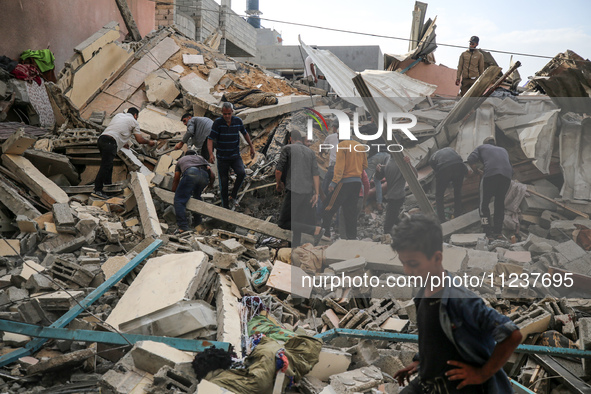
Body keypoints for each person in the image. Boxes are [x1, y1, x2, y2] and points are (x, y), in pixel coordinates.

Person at [392, 214, 522, 394]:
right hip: (430, 383)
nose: (407, 270)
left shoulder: (460, 300)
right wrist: (419, 361)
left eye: (413, 264)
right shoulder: (423, 294)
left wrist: (482, 373)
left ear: (437, 258)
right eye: (403, 263)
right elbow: (435, 338)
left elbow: (512, 335)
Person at [275, 131, 324, 248]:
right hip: (307, 193)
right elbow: (315, 175)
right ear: (301, 140)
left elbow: (278, 170)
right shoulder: (310, 152)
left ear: (291, 138)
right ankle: (295, 248)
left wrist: (278, 183)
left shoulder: (287, 148)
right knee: (297, 222)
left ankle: (315, 230)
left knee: (283, 223)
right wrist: (316, 193)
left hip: (294, 190)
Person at [94, 107, 155, 199]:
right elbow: (140, 140)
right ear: (135, 115)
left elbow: (118, 129)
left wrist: (123, 142)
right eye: (136, 117)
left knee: (109, 166)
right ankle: (97, 190)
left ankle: (108, 189)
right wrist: (149, 142)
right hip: (111, 142)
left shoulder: (119, 115)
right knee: (105, 166)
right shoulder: (134, 122)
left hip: (102, 139)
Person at [207, 102, 255, 209]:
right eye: (225, 114)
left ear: (232, 112)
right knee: (224, 183)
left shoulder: (238, 121)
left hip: (235, 156)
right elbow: (210, 139)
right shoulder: (218, 123)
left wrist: (251, 147)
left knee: (242, 173)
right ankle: (225, 207)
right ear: (222, 113)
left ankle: (233, 196)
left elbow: (245, 133)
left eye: (229, 114)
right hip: (222, 158)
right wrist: (211, 154)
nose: (227, 116)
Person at [322, 139, 368, 240]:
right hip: (357, 183)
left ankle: (326, 234)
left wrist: (334, 182)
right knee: (350, 212)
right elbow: (365, 165)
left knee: (328, 206)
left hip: (345, 182)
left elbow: (339, 166)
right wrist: (355, 167)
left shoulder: (342, 145)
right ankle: (352, 238)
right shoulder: (360, 146)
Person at [467, 137, 512, 239]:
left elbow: (470, 159)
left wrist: (477, 171)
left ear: (485, 143)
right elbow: (510, 167)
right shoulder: (503, 150)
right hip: (506, 177)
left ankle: (487, 232)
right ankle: (498, 232)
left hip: (490, 174)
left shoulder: (481, 147)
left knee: (483, 204)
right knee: (499, 204)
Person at [171, 150, 214, 233]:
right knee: (197, 197)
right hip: (204, 176)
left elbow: (176, 179)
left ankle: (183, 227)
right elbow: (212, 174)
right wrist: (210, 184)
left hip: (191, 173)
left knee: (179, 200)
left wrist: (174, 192)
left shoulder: (181, 160)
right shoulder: (201, 158)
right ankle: (198, 224)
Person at [429, 147, 468, 223]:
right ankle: (458, 214)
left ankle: (441, 219)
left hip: (444, 168)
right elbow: (460, 161)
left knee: (439, 196)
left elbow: (437, 173)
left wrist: (445, 183)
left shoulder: (431, 159)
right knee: (457, 192)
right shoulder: (450, 149)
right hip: (459, 166)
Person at [362, 122, 390, 212]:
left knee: (364, 180)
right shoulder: (387, 126)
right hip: (387, 156)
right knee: (377, 180)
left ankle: (361, 203)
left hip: (375, 155)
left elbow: (357, 131)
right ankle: (379, 204)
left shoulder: (371, 125)